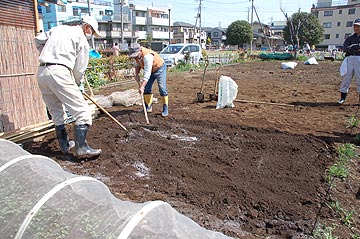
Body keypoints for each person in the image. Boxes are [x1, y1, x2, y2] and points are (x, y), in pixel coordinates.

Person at [34, 16, 102, 157]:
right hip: (59, 72)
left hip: (42, 72)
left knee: (56, 111)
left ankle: (65, 145)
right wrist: (77, 84)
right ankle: (82, 148)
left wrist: (49, 55)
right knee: (82, 112)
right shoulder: (81, 39)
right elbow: (79, 69)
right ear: (87, 27)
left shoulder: (59, 29)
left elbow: (38, 40)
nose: (91, 35)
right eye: (92, 32)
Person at [128, 43, 169, 117]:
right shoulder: (137, 57)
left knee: (162, 88)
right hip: (150, 70)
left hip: (159, 68)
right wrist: (136, 75)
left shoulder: (147, 56)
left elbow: (147, 73)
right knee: (147, 89)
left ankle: (165, 109)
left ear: (140, 50)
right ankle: (148, 107)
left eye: (136, 55)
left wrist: (142, 87)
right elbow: (137, 65)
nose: (135, 57)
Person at [337, 18, 360, 104]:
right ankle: (342, 98)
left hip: (359, 58)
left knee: (359, 78)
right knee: (346, 78)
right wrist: (354, 47)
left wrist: (354, 47)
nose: (356, 28)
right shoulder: (350, 38)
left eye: (358, 26)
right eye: (355, 26)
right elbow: (345, 48)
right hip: (350, 58)